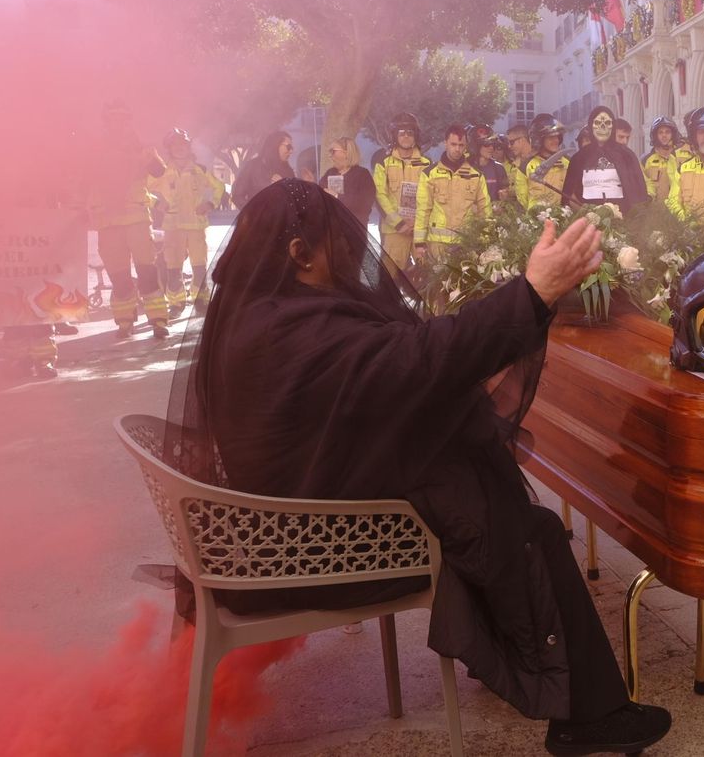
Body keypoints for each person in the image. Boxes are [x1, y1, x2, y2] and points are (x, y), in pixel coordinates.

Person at [177, 180, 672, 755]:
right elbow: (421, 358)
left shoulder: (256, 312)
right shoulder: (295, 332)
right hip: (317, 546)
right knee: (508, 520)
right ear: (298, 254)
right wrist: (532, 293)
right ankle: (590, 717)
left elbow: (385, 377)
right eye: (339, 241)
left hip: (286, 515)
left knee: (463, 486)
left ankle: (521, 664)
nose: (352, 254)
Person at [88, 100, 170, 339]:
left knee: (147, 272)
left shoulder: (142, 147)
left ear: (128, 122)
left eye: (122, 119)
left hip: (136, 218)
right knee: (119, 276)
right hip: (107, 221)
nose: (118, 124)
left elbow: (158, 170)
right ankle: (125, 321)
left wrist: (144, 155)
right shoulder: (93, 150)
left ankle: (158, 320)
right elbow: (82, 179)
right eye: (112, 119)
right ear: (106, 122)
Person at [151, 128, 225, 317]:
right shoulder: (163, 172)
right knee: (173, 266)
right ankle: (176, 302)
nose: (179, 148)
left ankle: (200, 300)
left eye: (182, 144)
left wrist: (210, 203)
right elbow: (141, 188)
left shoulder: (200, 170)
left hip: (196, 226)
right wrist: (156, 203)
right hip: (173, 226)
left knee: (199, 265)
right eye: (175, 145)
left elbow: (219, 186)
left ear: (188, 147)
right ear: (169, 149)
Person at [414, 125, 492, 265]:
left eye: (461, 145)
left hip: (466, 244)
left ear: (466, 146)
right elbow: (423, 210)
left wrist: (485, 241)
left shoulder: (476, 175)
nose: (457, 149)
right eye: (453, 144)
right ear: (445, 143)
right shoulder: (429, 174)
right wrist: (419, 243)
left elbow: (485, 210)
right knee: (438, 286)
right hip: (437, 245)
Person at [562, 106, 650, 212]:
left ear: (612, 127)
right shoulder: (579, 158)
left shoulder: (627, 156)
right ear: (591, 125)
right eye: (598, 123)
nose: (602, 127)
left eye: (607, 123)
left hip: (623, 221)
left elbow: (637, 193)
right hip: (586, 222)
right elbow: (569, 196)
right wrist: (586, 214)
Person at [373, 112, 432, 266]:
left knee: (427, 278)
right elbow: (379, 195)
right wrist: (399, 224)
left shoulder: (427, 163)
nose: (406, 136)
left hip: (420, 231)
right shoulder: (383, 162)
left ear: (416, 136)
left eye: (410, 133)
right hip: (394, 231)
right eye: (401, 133)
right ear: (394, 136)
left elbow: (431, 198)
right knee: (389, 280)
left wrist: (417, 224)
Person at [319, 136, 378, 224]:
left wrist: (337, 197)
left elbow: (365, 203)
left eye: (333, 151)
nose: (330, 155)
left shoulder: (362, 174)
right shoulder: (330, 172)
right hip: (332, 228)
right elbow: (319, 195)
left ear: (347, 153)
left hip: (354, 228)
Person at [232, 131, 295, 209]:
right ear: (275, 145)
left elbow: (295, 200)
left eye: (292, 148)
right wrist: (256, 212)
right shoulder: (252, 167)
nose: (291, 151)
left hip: (282, 220)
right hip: (259, 220)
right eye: (288, 147)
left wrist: (284, 186)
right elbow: (237, 196)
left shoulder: (288, 171)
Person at [519, 113, 569, 210]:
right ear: (539, 140)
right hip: (535, 222)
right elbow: (523, 200)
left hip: (564, 221)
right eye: (551, 137)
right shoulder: (526, 166)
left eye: (557, 136)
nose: (556, 140)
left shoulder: (567, 163)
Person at [641, 116, 687, 206]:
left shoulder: (683, 156)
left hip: (680, 210)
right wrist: (648, 197)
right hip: (657, 212)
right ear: (655, 136)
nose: (664, 135)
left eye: (667, 132)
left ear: (673, 134)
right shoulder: (646, 160)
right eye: (660, 132)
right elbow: (646, 184)